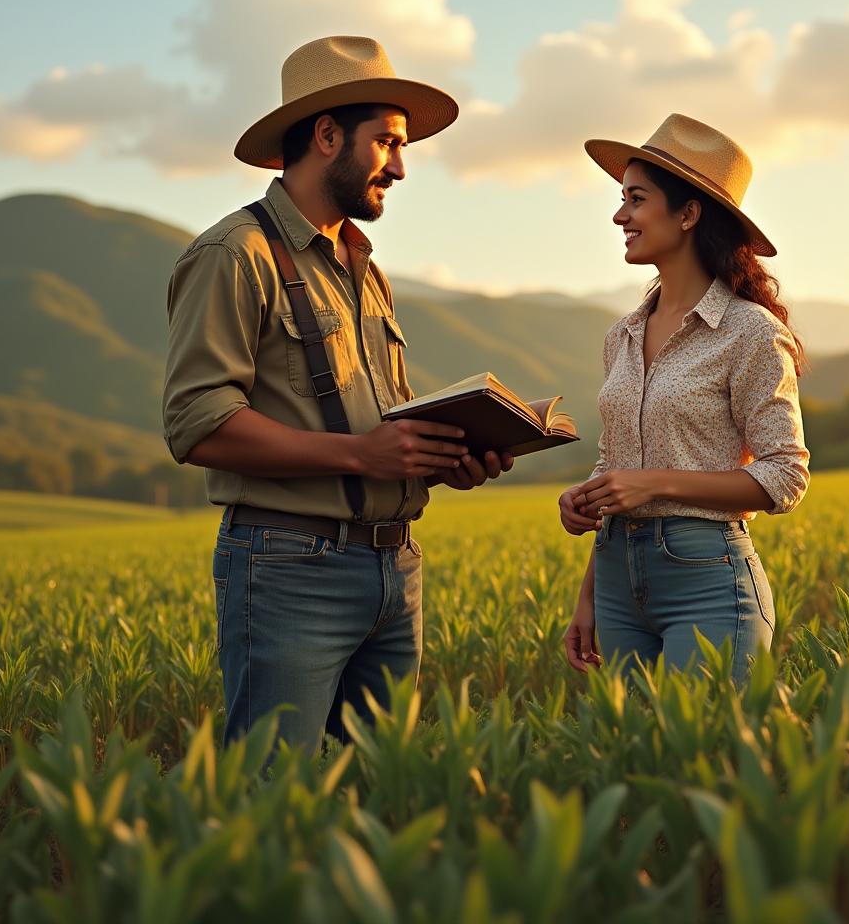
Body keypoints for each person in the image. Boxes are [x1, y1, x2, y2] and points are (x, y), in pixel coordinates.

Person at [162, 36, 512, 752]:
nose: (403, 167)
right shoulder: (235, 254)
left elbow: (381, 432)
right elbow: (197, 424)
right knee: (273, 799)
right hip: (290, 567)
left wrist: (442, 458)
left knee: (379, 799)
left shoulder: (364, 269)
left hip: (396, 567)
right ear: (327, 136)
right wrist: (361, 454)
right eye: (388, 142)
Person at [559, 113, 809, 683]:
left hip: (707, 578)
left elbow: (785, 476)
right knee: (634, 759)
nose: (620, 215)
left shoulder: (750, 331)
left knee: (704, 765)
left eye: (636, 199)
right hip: (617, 577)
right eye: (622, 199)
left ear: (689, 213)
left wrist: (655, 482)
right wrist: (589, 581)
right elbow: (617, 465)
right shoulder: (620, 334)